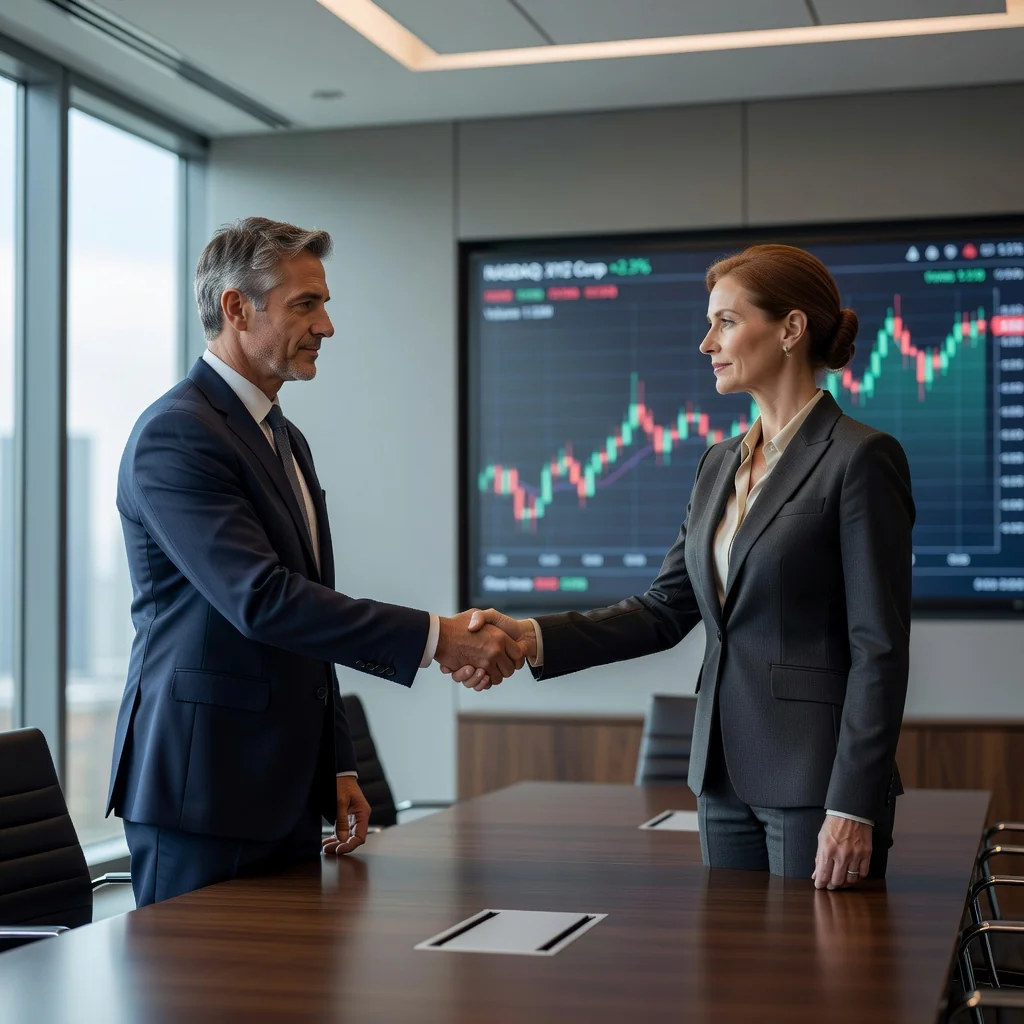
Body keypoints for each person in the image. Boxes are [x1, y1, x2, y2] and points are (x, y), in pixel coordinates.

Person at [452, 244, 915, 889]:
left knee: (817, 956)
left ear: (790, 328)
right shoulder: (718, 464)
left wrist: (853, 804)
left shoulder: (860, 458)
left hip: (818, 783)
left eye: (727, 322)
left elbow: (879, 649)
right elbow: (664, 609)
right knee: (728, 954)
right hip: (719, 774)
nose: (707, 343)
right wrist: (530, 636)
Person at [107, 217, 524, 906]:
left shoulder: (284, 437)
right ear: (237, 308)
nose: (326, 326)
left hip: (284, 789)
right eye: (306, 305)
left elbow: (302, 611)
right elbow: (263, 600)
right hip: (203, 789)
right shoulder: (176, 435)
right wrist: (438, 638)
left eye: (324, 304)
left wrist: (336, 761)